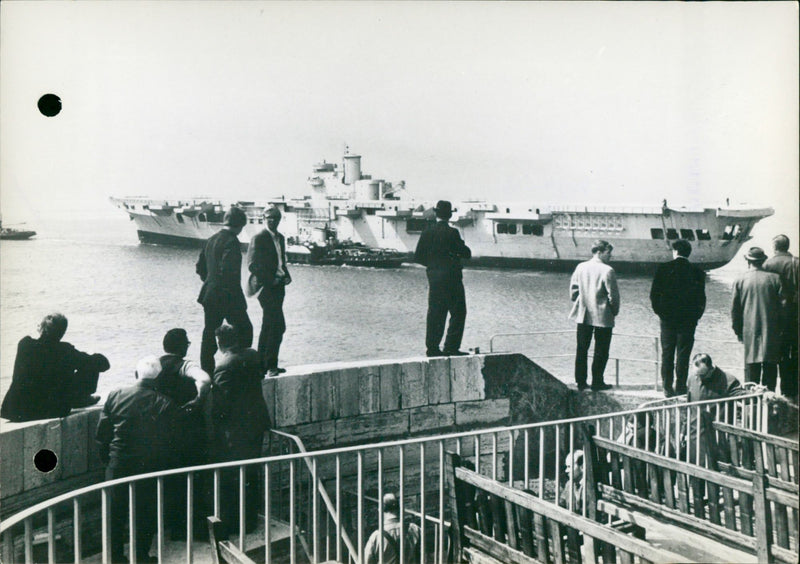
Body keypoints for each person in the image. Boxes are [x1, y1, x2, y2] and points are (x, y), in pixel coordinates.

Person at [96, 356, 182, 563]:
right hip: (148, 467)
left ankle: (115, 558)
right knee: (145, 514)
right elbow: (171, 441)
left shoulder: (115, 395)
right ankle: (141, 556)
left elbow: (102, 435)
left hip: (118, 464)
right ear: (158, 379)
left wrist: (108, 461)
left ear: (136, 375)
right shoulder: (165, 403)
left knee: (114, 515)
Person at [203, 324, 269, 532]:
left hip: (235, 430)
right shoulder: (253, 355)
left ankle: (236, 522)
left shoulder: (224, 365)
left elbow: (220, 402)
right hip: (256, 423)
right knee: (251, 472)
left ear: (219, 342)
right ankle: (250, 519)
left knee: (233, 475)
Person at [154, 328, 212, 539]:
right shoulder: (185, 365)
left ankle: (173, 526)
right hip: (189, 432)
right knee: (193, 480)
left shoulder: (154, 365)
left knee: (171, 480)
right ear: (181, 346)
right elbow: (204, 380)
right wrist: (199, 400)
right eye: (186, 343)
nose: (188, 345)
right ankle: (190, 529)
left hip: (163, 432)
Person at [1, 313, 110, 422]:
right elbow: (104, 364)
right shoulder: (65, 351)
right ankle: (81, 399)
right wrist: (90, 356)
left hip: (16, 410)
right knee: (91, 364)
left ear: (41, 328)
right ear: (62, 333)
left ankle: (80, 398)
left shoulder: (25, 344)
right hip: (51, 410)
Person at [196, 206, 253, 375]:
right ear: (239, 225)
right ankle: (240, 368)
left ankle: (207, 372)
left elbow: (200, 268)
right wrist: (236, 299)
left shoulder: (211, 239)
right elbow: (229, 273)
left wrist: (211, 283)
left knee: (209, 335)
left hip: (210, 295)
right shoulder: (232, 242)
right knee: (245, 330)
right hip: (227, 296)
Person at [413, 200, 472, 357]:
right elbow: (467, 253)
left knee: (435, 313)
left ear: (435, 213)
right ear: (450, 215)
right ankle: (451, 347)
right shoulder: (452, 233)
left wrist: (433, 266)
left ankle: (432, 348)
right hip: (452, 278)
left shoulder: (427, 232)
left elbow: (418, 257)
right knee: (458, 312)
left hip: (434, 278)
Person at [650, 239, 706, 397]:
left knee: (667, 353)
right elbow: (701, 299)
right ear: (689, 253)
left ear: (675, 251)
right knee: (683, 354)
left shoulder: (663, 268)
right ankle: (680, 386)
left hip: (667, 320)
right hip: (688, 320)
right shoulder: (697, 272)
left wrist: (661, 313)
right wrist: (696, 316)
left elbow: (654, 295)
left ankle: (667, 387)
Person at [246, 206, 291, 377]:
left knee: (268, 325)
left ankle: (262, 365)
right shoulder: (259, 238)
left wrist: (286, 275)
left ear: (279, 220)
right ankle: (271, 365)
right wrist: (270, 279)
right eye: (268, 217)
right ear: (264, 219)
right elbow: (252, 264)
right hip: (266, 287)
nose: (272, 220)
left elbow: (281, 262)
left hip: (279, 286)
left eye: (275, 218)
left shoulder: (280, 238)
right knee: (278, 325)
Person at [569, 240, 620, 391]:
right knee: (601, 350)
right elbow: (614, 296)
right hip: (603, 315)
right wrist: (614, 311)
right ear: (599, 251)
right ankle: (598, 381)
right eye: (608, 252)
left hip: (584, 314)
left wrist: (581, 300)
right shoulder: (608, 270)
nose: (610, 255)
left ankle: (580, 382)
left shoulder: (581, 267)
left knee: (582, 349)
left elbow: (573, 292)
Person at [731, 247, 783, 391]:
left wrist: (738, 331)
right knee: (770, 373)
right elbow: (783, 309)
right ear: (763, 261)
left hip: (749, 333)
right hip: (771, 333)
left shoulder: (740, 280)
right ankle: (768, 407)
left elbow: (735, 311)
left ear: (748, 261)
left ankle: (751, 407)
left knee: (750, 375)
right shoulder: (775, 279)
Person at [684, 353, 747, 468]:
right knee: (696, 469)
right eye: (697, 375)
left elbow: (743, 396)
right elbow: (688, 405)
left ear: (711, 369)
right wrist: (684, 431)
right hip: (695, 433)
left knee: (718, 470)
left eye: (702, 375)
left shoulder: (728, 380)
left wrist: (761, 393)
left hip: (718, 436)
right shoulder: (692, 378)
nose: (700, 378)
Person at [763, 234, 799, 401]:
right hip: (793, 317)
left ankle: (769, 392)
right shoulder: (796, 263)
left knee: (771, 356)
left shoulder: (767, 264)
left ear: (775, 247)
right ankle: (789, 392)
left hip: (772, 319)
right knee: (790, 356)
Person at [364, 492, 421, 564]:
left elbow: (366, 561)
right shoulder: (414, 528)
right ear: (399, 508)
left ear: (381, 510)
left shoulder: (376, 536)